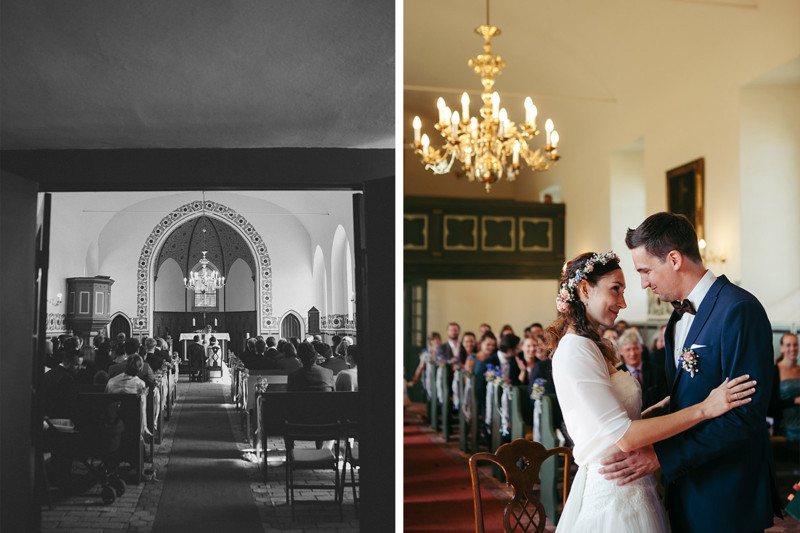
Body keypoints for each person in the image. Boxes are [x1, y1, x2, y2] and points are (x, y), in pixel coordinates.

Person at [549, 250, 758, 533]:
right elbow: (624, 436)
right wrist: (704, 408)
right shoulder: (576, 349)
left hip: (633, 481)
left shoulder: (591, 346)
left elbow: (605, 425)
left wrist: (658, 409)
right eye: (615, 290)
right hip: (614, 491)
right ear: (585, 289)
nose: (622, 302)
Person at [601, 211, 781, 532]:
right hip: (686, 487)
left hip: (727, 492)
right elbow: (687, 398)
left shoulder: (739, 310)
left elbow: (745, 416)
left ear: (673, 259)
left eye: (645, 270)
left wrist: (663, 458)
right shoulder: (675, 321)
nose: (643, 283)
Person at [617, 328, 668, 411]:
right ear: (621, 351)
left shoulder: (657, 371)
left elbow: (664, 400)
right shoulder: (617, 374)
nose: (632, 353)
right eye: (628, 349)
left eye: (635, 348)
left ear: (641, 348)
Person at [775, 333, 800, 440]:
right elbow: (771, 403)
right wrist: (795, 401)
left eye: (795, 345)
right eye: (788, 345)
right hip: (784, 426)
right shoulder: (774, 371)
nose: (792, 348)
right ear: (781, 348)